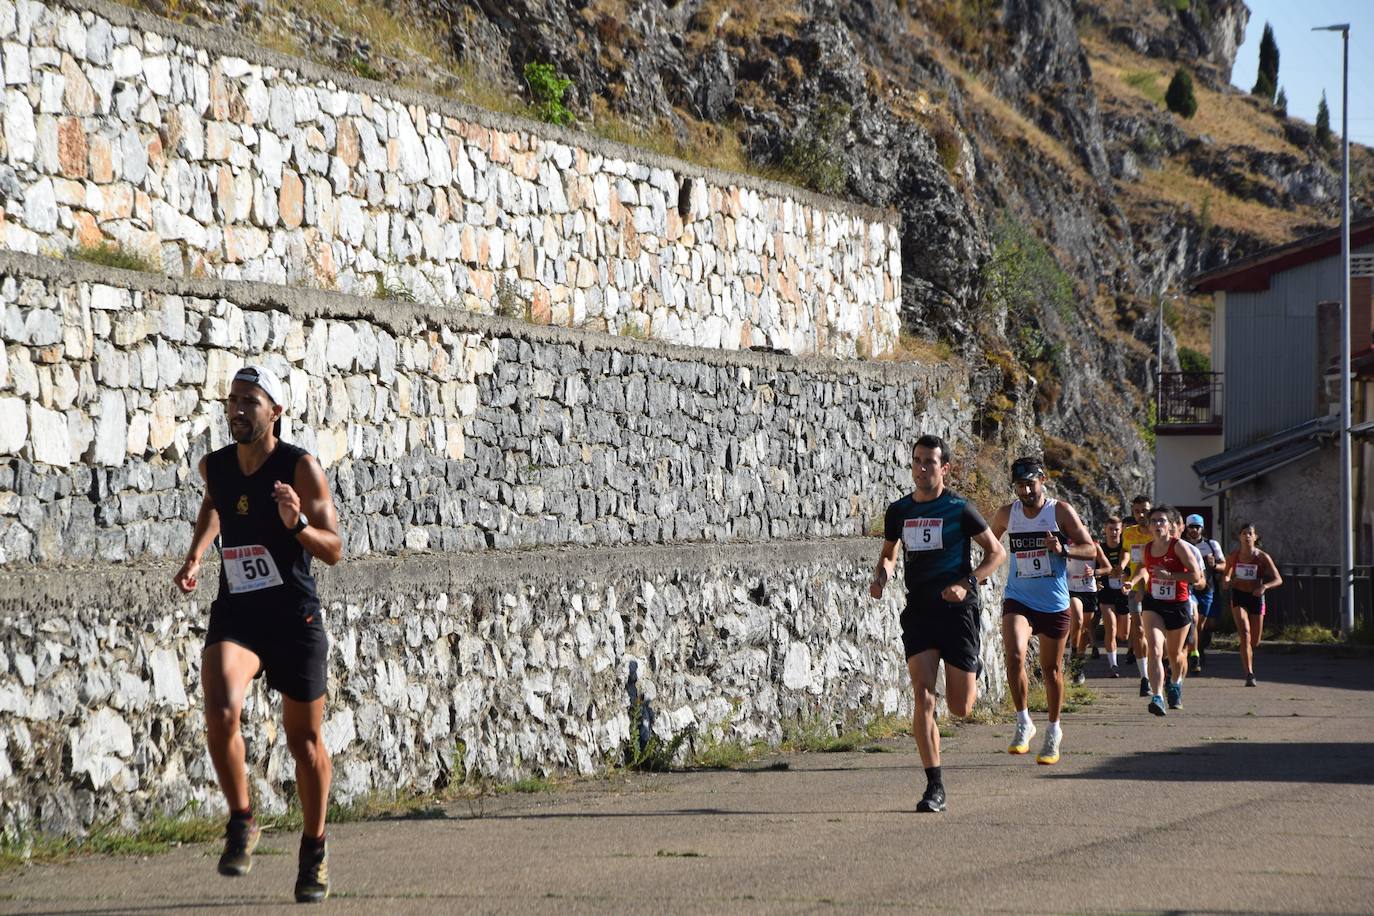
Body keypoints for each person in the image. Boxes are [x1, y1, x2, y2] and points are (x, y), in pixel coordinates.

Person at [174, 365, 343, 903]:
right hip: (239, 615)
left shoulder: (301, 468)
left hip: (294, 617)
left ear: (276, 412)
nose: (238, 410)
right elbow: (214, 505)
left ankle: (313, 849)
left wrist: (296, 525)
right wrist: (198, 554)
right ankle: (242, 820)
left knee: (305, 742)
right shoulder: (215, 466)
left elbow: (334, 549)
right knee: (221, 708)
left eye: (250, 401)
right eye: (233, 400)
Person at [871, 435, 1007, 813]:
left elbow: (996, 553)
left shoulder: (960, 509)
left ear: (944, 468)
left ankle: (969, 665)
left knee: (962, 706)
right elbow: (888, 554)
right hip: (920, 611)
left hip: (958, 611)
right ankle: (935, 786)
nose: (922, 468)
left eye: (930, 462)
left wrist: (968, 583)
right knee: (923, 695)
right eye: (917, 461)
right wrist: (882, 577)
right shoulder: (898, 511)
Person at [989, 456, 1096, 766]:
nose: (1025, 490)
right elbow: (990, 544)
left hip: (1054, 602)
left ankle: (1053, 729)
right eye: (1019, 485)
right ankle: (1023, 722)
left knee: (1051, 670)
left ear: (1043, 480)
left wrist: (1064, 550)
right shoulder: (1007, 514)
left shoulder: (1059, 511)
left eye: (1030, 484)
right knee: (1015, 655)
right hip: (1019, 598)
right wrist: (979, 572)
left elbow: (1089, 548)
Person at [1128, 506, 1203, 716]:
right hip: (1154, 604)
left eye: (1162, 521)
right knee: (1155, 650)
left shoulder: (1179, 547)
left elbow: (1196, 577)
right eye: (1154, 521)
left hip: (1178, 606)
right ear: (1150, 526)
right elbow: (1143, 567)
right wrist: (1133, 582)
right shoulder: (1147, 548)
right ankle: (1158, 696)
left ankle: (1176, 684)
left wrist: (1169, 575)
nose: (1158, 524)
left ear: (1170, 526)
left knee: (1175, 654)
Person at [1222, 524, 1283, 687]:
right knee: (1245, 633)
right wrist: (1229, 582)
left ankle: (1249, 658)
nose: (1247, 536)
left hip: (1256, 597)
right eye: (1244, 533)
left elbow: (1278, 579)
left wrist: (1264, 587)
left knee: (1254, 641)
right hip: (1239, 596)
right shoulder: (1233, 557)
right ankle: (1249, 673)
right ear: (1240, 537)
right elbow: (1225, 579)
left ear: (1255, 537)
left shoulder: (1262, 557)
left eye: (1250, 533)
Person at [1181, 514, 1224, 673]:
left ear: (1202, 528)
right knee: (1193, 620)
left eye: (1197, 527)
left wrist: (1215, 565)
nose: (1194, 530)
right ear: (1186, 528)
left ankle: (1198, 649)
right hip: (1187, 587)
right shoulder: (1181, 544)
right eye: (1191, 527)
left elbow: (1224, 565)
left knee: (1202, 625)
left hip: (1207, 588)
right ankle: (1194, 654)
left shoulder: (1211, 545)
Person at [1121, 496, 1154, 696]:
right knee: (1139, 630)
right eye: (1137, 511)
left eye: (1145, 511)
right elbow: (1126, 552)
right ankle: (1145, 678)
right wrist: (1122, 566)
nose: (1141, 515)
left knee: (1157, 635)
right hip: (1134, 586)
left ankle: (1160, 666)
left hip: (1157, 588)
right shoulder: (1129, 533)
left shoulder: (1157, 533)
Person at [1067, 541, 1112, 685]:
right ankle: (1073, 652)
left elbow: (1108, 568)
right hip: (1070, 589)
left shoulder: (1094, 547)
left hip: (1089, 591)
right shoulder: (1066, 546)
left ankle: (1078, 666)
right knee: (1078, 619)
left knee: (1086, 632)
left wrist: (1095, 572)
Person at [1096, 516, 1129, 678]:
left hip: (1124, 593)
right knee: (1111, 628)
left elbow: (1134, 567)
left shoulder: (1126, 548)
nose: (1114, 532)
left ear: (1121, 530)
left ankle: (1117, 648)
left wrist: (1125, 574)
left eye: (1117, 529)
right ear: (1105, 530)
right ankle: (1113, 665)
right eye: (1111, 529)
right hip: (1106, 593)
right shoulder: (1100, 549)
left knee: (1123, 635)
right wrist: (1096, 581)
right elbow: (1095, 568)